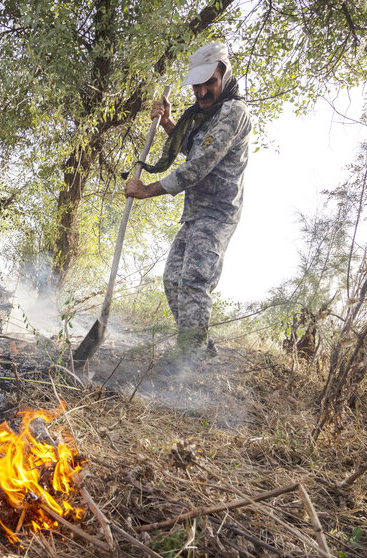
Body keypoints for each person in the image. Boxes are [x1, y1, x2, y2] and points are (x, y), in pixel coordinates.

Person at [125, 42, 252, 359]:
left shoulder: (234, 112)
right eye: (198, 84)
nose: (203, 91)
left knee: (194, 281)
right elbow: (193, 149)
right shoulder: (203, 114)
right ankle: (197, 347)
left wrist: (147, 190)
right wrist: (169, 122)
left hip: (218, 214)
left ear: (224, 74)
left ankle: (190, 362)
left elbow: (200, 164)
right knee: (173, 281)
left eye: (209, 82)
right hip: (195, 213)